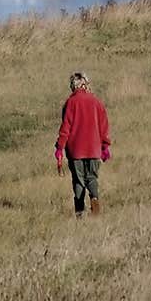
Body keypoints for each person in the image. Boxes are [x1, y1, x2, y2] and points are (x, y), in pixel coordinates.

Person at [54, 71, 111, 217]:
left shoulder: (70, 103)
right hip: (93, 149)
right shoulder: (96, 102)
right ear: (85, 84)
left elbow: (65, 128)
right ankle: (95, 201)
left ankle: (79, 212)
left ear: (73, 86)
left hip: (75, 151)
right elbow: (103, 126)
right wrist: (105, 146)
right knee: (92, 178)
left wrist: (60, 148)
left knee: (78, 181)